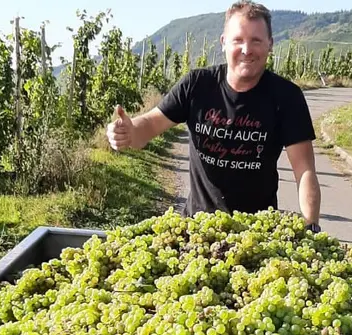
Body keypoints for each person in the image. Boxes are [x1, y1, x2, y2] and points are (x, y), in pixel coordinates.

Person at [106, 0, 322, 232]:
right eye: (238, 40)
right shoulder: (197, 85)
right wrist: (129, 132)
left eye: (256, 41)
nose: (246, 50)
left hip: (257, 235)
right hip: (196, 230)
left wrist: (310, 225)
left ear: (270, 44)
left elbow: (304, 170)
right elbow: (148, 126)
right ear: (223, 43)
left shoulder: (287, 96)